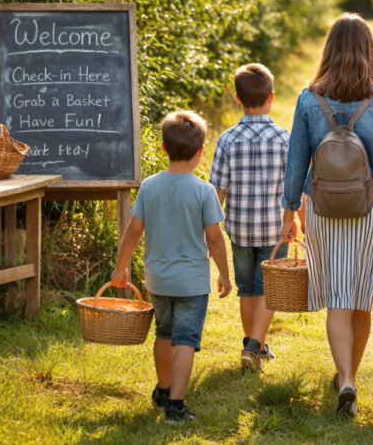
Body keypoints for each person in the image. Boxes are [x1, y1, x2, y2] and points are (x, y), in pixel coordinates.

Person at [280, 14, 373, 418]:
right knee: (361, 297)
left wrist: (291, 210)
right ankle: (350, 378)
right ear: (369, 49)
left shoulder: (310, 98)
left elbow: (297, 163)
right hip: (372, 207)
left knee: (337, 299)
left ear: (328, 49)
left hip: (323, 209)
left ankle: (344, 377)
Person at [111, 110, 232, 424]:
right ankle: (176, 406)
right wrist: (224, 273)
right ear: (200, 152)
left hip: (159, 281)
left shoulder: (150, 186)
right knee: (186, 342)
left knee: (164, 336)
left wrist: (120, 267)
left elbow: (134, 230)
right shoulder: (204, 191)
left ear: (164, 148)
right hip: (192, 282)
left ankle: (163, 390)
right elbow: (215, 238)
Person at [210, 63, 293, 373]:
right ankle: (254, 347)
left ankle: (252, 344)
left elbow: (216, 191)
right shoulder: (285, 139)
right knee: (268, 292)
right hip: (274, 229)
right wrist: (291, 217)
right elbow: (293, 186)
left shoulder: (227, 140)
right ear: (271, 96)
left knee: (247, 290)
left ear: (237, 98)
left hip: (239, 229)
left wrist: (210, 230)